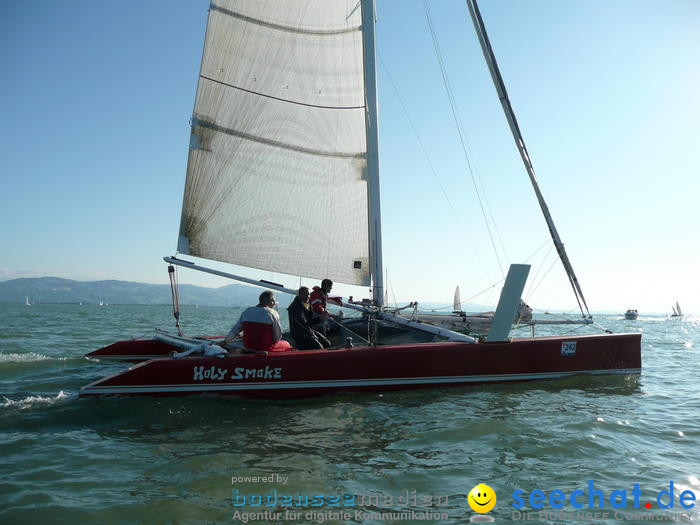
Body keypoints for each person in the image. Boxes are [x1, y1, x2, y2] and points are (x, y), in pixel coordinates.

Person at [224, 291, 292, 352]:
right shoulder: (272, 312)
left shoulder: (247, 311)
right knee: (287, 344)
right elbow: (278, 336)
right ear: (265, 300)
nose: (274, 304)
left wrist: (225, 341)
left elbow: (235, 330)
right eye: (273, 301)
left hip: (248, 345)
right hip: (265, 347)